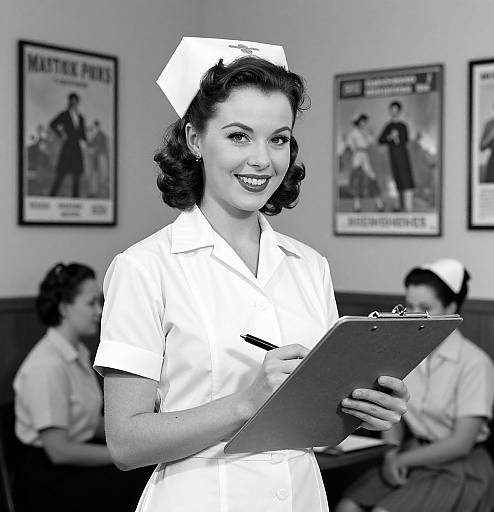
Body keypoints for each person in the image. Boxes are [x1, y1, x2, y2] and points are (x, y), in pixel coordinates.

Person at [93, 37, 409, 512]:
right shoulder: (144, 268)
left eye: (278, 138)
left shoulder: (310, 266)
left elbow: (316, 425)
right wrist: (246, 402)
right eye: (239, 136)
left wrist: (365, 410)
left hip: (302, 497)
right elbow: (125, 443)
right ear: (195, 139)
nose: (262, 159)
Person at [337, 258, 494, 512]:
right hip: (408, 456)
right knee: (347, 506)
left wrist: (399, 459)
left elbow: (461, 443)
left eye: (425, 307)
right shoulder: (404, 355)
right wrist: (391, 453)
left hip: (457, 466)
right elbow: (390, 410)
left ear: (451, 307)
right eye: (409, 306)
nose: (414, 315)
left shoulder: (474, 363)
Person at [13, 262, 150, 512]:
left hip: (75, 460)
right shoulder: (46, 365)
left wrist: (137, 440)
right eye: (91, 303)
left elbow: (88, 421)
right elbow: (59, 450)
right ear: (65, 308)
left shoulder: (79, 352)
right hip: (50, 476)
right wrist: (124, 454)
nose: (99, 311)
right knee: (138, 480)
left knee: (145, 470)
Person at [378, 101, 415, 212]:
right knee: (396, 178)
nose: (393, 113)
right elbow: (381, 140)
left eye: (396, 110)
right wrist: (390, 137)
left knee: (406, 179)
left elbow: (406, 139)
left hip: (402, 154)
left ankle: (409, 206)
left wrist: (397, 138)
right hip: (392, 155)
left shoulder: (403, 125)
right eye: (391, 110)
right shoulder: (388, 126)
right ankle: (398, 205)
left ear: (399, 111)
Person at [49, 92, 87, 197]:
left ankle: (76, 198)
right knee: (61, 173)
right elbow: (52, 124)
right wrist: (61, 134)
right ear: (69, 102)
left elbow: (83, 134)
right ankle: (52, 196)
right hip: (67, 148)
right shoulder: (64, 115)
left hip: (77, 149)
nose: (73, 103)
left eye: (75, 102)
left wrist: (84, 142)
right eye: (72, 101)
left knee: (76, 176)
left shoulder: (81, 118)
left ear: (77, 103)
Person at [346, 113, 385, 212]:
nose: (363, 123)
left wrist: (370, 134)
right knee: (356, 181)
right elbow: (350, 144)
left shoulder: (366, 132)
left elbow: (371, 142)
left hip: (365, 156)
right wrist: (356, 149)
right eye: (361, 121)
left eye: (365, 122)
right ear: (358, 122)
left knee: (371, 177)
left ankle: (379, 204)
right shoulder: (353, 133)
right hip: (357, 156)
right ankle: (357, 206)